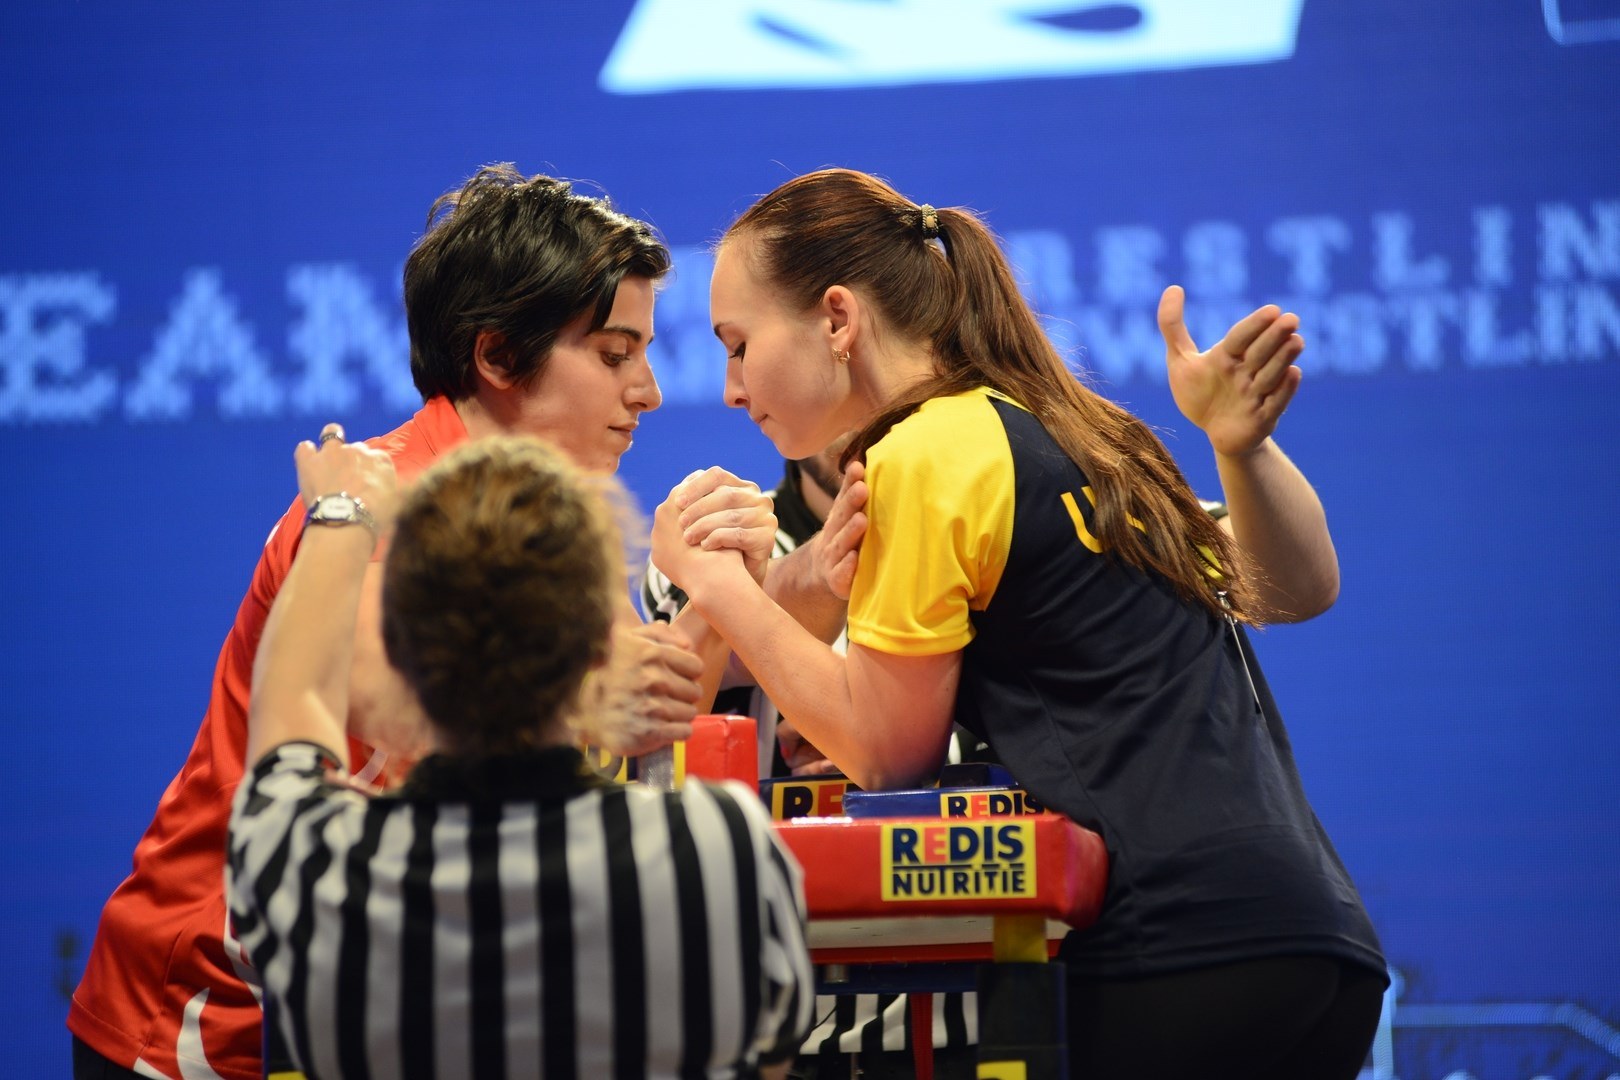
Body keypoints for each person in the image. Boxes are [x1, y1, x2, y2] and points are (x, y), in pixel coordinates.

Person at [651, 169, 1386, 1080]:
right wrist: (1242, 449)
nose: (729, 388)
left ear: (836, 319)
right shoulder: (1084, 432)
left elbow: (888, 752)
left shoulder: (922, 450)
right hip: (1318, 951)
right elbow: (1293, 586)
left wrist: (719, 589)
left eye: (737, 344)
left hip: (1169, 956)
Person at [70, 164, 771, 1080]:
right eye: (611, 353)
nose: (647, 389)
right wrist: (592, 700)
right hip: (218, 1023)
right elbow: (381, 691)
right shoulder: (368, 502)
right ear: (496, 356)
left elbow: (619, 707)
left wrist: (759, 593)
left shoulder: (554, 518)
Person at [226, 429, 814, 1078]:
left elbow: (294, 699)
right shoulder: (722, 850)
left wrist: (341, 512)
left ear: (394, 654)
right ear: (601, 648)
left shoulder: (315, 870)